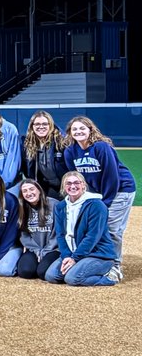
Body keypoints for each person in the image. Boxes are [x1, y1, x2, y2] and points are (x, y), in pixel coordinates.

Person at [62, 115, 135, 282]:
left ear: (90, 130)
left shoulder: (101, 147)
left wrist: (104, 203)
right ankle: (98, 260)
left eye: (82, 128)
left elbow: (112, 176)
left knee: (111, 228)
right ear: (70, 133)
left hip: (120, 190)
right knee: (94, 226)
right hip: (99, 192)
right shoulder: (70, 151)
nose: (78, 131)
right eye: (75, 129)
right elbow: (79, 179)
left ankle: (115, 267)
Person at [44, 171, 117, 286]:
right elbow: (60, 235)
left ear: (83, 185)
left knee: (72, 279)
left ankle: (110, 275)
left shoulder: (96, 205)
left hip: (98, 254)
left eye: (76, 183)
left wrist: (75, 258)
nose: (72, 186)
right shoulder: (61, 206)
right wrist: (67, 256)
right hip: (73, 253)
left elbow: (92, 237)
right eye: (68, 183)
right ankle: (78, 266)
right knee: (51, 276)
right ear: (63, 186)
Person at [16, 178, 58, 280]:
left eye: (31, 189)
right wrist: (37, 251)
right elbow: (23, 235)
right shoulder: (22, 208)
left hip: (53, 249)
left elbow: (59, 232)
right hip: (34, 249)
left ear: (39, 190)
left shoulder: (54, 204)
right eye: (25, 191)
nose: (29, 193)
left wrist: (47, 250)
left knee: (43, 272)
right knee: (25, 272)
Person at [20, 110, 66, 200]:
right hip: (45, 187)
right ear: (32, 126)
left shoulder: (62, 142)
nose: (41, 127)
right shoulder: (28, 144)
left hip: (65, 186)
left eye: (45, 124)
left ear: (50, 125)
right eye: (37, 124)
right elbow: (27, 169)